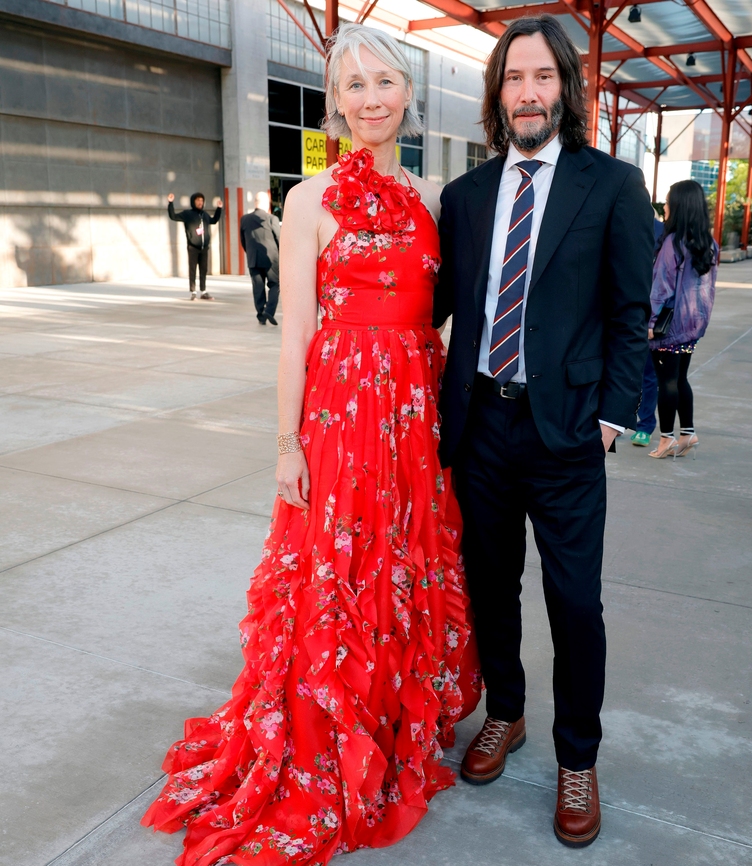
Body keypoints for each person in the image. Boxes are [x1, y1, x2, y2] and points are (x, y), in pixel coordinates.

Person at [143, 23, 480, 866]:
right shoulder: (307, 200)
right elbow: (293, 330)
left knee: (404, 562)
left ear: (409, 94)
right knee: (338, 568)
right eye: (353, 87)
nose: (370, 100)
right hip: (340, 411)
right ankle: (330, 727)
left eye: (384, 83)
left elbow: (445, 313)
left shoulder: (440, 199)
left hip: (415, 407)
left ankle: (395, 717)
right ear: (335, 105)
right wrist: (286, 442)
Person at [434, 15, 653, 848]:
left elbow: (634, 313)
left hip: (566, 434)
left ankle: (578, 757)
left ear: (566, 86)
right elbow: (435, 305)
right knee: (492, 590)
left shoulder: (613, 187)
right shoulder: (466, 196)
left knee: (573, 604)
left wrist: (611, 419)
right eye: (513, 78)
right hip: (481, 426)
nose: (527, 92)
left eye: (542, 77)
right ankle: (508, 714)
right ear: (497, 94)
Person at [648, 180, 718, 459]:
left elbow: (661, 287)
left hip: (669, 326)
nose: (664, 206)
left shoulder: (673, 242)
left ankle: (666, 440)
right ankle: (687, 432)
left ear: (679, 206)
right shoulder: (708, 243)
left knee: (666, 381)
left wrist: (651, 323)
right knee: (680, 378)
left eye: (667, 201)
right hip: (693, 325)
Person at [631, 215, 665, 447]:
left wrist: (652, 321)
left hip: (644, 315)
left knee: (646, 375)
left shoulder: (661, 232)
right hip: (616, 309)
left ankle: (644, 425)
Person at [167, 191, 222, 300]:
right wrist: (170, 203)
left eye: (201, 200)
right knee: (192, 269)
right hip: (193, 247)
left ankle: (203, 291)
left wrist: (219, 209)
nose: (200, 202)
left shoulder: (205, 215)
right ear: (193, 202)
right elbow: (173, 216)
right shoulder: (187, 214)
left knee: (203, 269)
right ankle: (193, 292)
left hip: (204, 247)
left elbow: (214, 220)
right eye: (198, 200)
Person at [240, 191, 281, 326]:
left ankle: (260, 315)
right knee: (275, 284)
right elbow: (279, 239)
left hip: (253, 258)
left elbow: (243, 240)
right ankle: (269, 310)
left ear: (255, 203)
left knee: (258, 287)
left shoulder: (244, 219)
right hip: (271, 259)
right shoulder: (271, 219)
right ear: (267, 203)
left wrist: (250, 252)